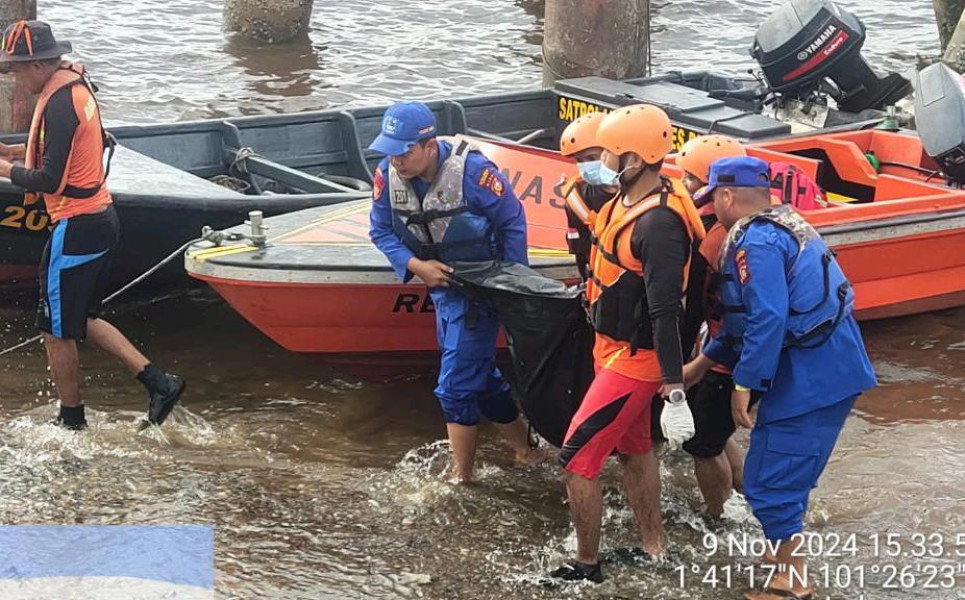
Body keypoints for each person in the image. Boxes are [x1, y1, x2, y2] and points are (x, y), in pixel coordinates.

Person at [684, 157, 876, 600]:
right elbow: (746, 322)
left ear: (728, 196)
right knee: (785, 471)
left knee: (769, 478)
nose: (711, 208)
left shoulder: (759, 243)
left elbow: (767, 320)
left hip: (813, 376)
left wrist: (743, 385)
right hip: (832, 365)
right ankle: (780, 552)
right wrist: (701, 364)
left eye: (713, 198)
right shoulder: (785, 221)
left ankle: (793, 581)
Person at [0, 20, 184, 431]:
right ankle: (160, 383)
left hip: (77, 224)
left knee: (54, 329)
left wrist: (3, 169)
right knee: (80, 317)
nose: (14, 78)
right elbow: (59, 151)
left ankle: (71, 420)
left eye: (16, 69)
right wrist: (9, 150)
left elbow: (50, 180)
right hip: (96, 221)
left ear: (38, 65)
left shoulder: (61, 102)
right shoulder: (73, 89)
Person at [552, 105, 705, 583]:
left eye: (610, 154)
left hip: (635, 360)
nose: (603, 161)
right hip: (609, 345)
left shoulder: (658, 225)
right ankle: (654, 547)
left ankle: (587, 565)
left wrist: (674, 389)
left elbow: (665, 311)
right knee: (635, 448)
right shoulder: (621, 199)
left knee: (577, 459)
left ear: (636, 161)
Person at [367, 100, 541, 483]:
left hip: (482, 288)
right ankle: (527, 451)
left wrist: (514, 284)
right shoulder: (386, 177)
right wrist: (417, 267)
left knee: (454, 389)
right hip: (442, 289)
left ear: (430, 146)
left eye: (404, 151)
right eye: (390, 151)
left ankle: (462, 479)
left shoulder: (474, 173)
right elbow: (380, 231)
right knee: (482, 377)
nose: (396, 160)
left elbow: (511, 222)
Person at [676, 135, 749, 518]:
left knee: (702, 444)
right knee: (718, 434)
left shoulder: (709, 238)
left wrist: (685, 363)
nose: (683, 186)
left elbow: (692, 309)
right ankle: (746, 498)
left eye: (689, 179)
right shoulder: (745, 228)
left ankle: (718, 517)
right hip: (735, 349)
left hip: (722, 355)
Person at [558, 111, 619, 281]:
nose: (586, 165)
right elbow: (580, 253)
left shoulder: (637, 189)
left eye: (592, 157)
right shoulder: (576, 200)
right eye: (580, 160)